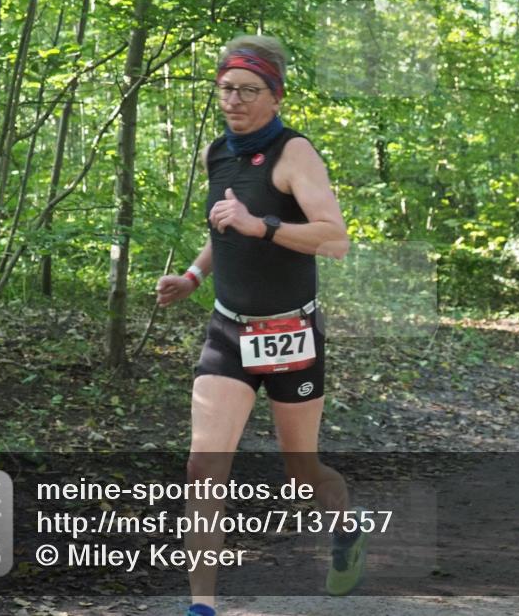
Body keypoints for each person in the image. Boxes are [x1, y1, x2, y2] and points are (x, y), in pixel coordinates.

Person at [155, 35, 367, 616]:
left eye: (249, 90)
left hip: (289, 333)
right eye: (226, 88)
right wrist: (195, 275)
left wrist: (263, 227)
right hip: (229, 330)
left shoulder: (295, 154)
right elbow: (223, 225)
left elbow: (336, 239)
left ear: (276, 95)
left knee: (300, 470)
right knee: (203, 467)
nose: (234, 101)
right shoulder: (216, 154)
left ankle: (345, 527)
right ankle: (202, 607)